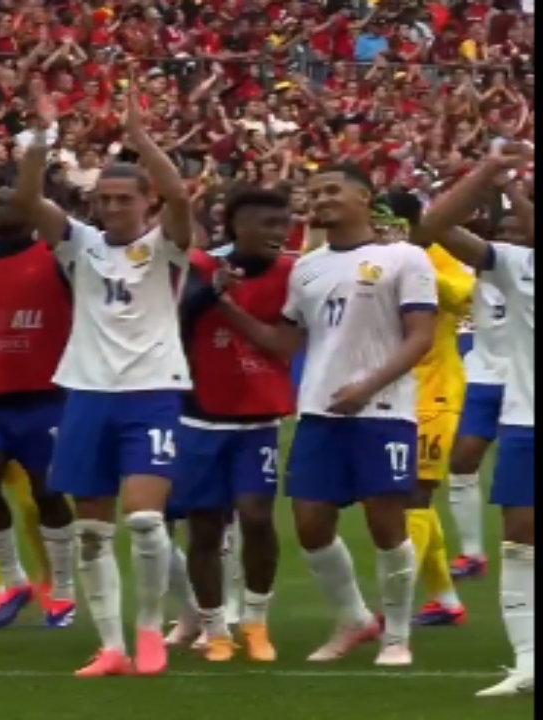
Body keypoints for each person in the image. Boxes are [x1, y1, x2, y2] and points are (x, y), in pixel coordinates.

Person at [8, 85, 194, 678]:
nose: (112, 208)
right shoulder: (78, 244)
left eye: (123, 198)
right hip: (86, 392)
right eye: (104, 199)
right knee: (91, 528)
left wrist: (140, 140)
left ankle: (149, 633)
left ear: (146, 204)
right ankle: (110, 645)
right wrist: (42, 135)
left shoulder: (166, 246)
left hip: (152, 392)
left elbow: (180, 195)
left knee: (143, 521)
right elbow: (28, 196)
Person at [233, 164, 436, 667]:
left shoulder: (403, 257)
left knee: (386, 525)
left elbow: (421, 335)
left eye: (332, 191)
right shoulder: (307, 266)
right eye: (314, 193)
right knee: (310, 525)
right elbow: (285, 340)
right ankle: (354, 618)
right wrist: (224, 305)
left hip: (384, 411)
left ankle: (397, 636)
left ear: (365, 197)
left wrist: (367, 386)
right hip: (320, 411)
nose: (320, 200)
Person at [416, 148, 534, 698]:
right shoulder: (513, 264)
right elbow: (433, 225)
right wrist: (489, 174)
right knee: (519, 542)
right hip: (525, 418)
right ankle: (528, 661)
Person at [166, 188, 295, 663]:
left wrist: (225, 302)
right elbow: (172, 324)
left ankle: (256, 622)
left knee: (257, 518)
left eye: (283, 224)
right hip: (199, 415)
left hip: (257, 418)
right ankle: (216, 628)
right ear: (236, 226)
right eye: (267, 224)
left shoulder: (291, 275)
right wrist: (211, 291)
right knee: (205, 528)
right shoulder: (198, 268)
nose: (278, 234)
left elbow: (283, 345)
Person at [0, 187, 77, 631]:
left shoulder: (56, 258)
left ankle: (64, 591)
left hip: (45, 397)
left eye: (2, 202)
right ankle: (15, 582)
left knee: (47, 492)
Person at [397, 193, 474, 629]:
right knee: (404, 497)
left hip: (435, 391)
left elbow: (465, 295)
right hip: (389, 393)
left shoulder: (440, 256)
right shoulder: (373, 258)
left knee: (415, 493)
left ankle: (397, 599)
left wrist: (417, 265)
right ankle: (444, 599)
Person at [447, 206, 532, 581]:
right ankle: (472, 554)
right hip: (483, 373)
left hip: (523, 377)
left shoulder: (523, 271)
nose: (509, 237)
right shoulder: (478, 270)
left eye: (517, 230)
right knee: (463, 458)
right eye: (502, 230)